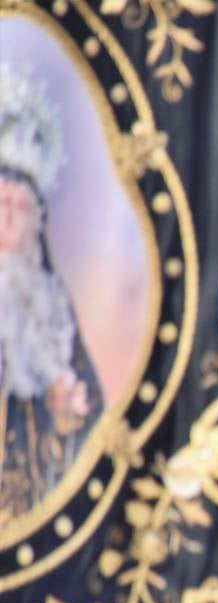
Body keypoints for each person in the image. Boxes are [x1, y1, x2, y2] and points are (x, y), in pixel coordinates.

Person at [0, 63, 103, 520]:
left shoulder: (50, 308)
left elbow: (86, 424)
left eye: (20, 207)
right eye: (0, 202)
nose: (9, 217)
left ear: (36, 223)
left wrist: (66, 414)